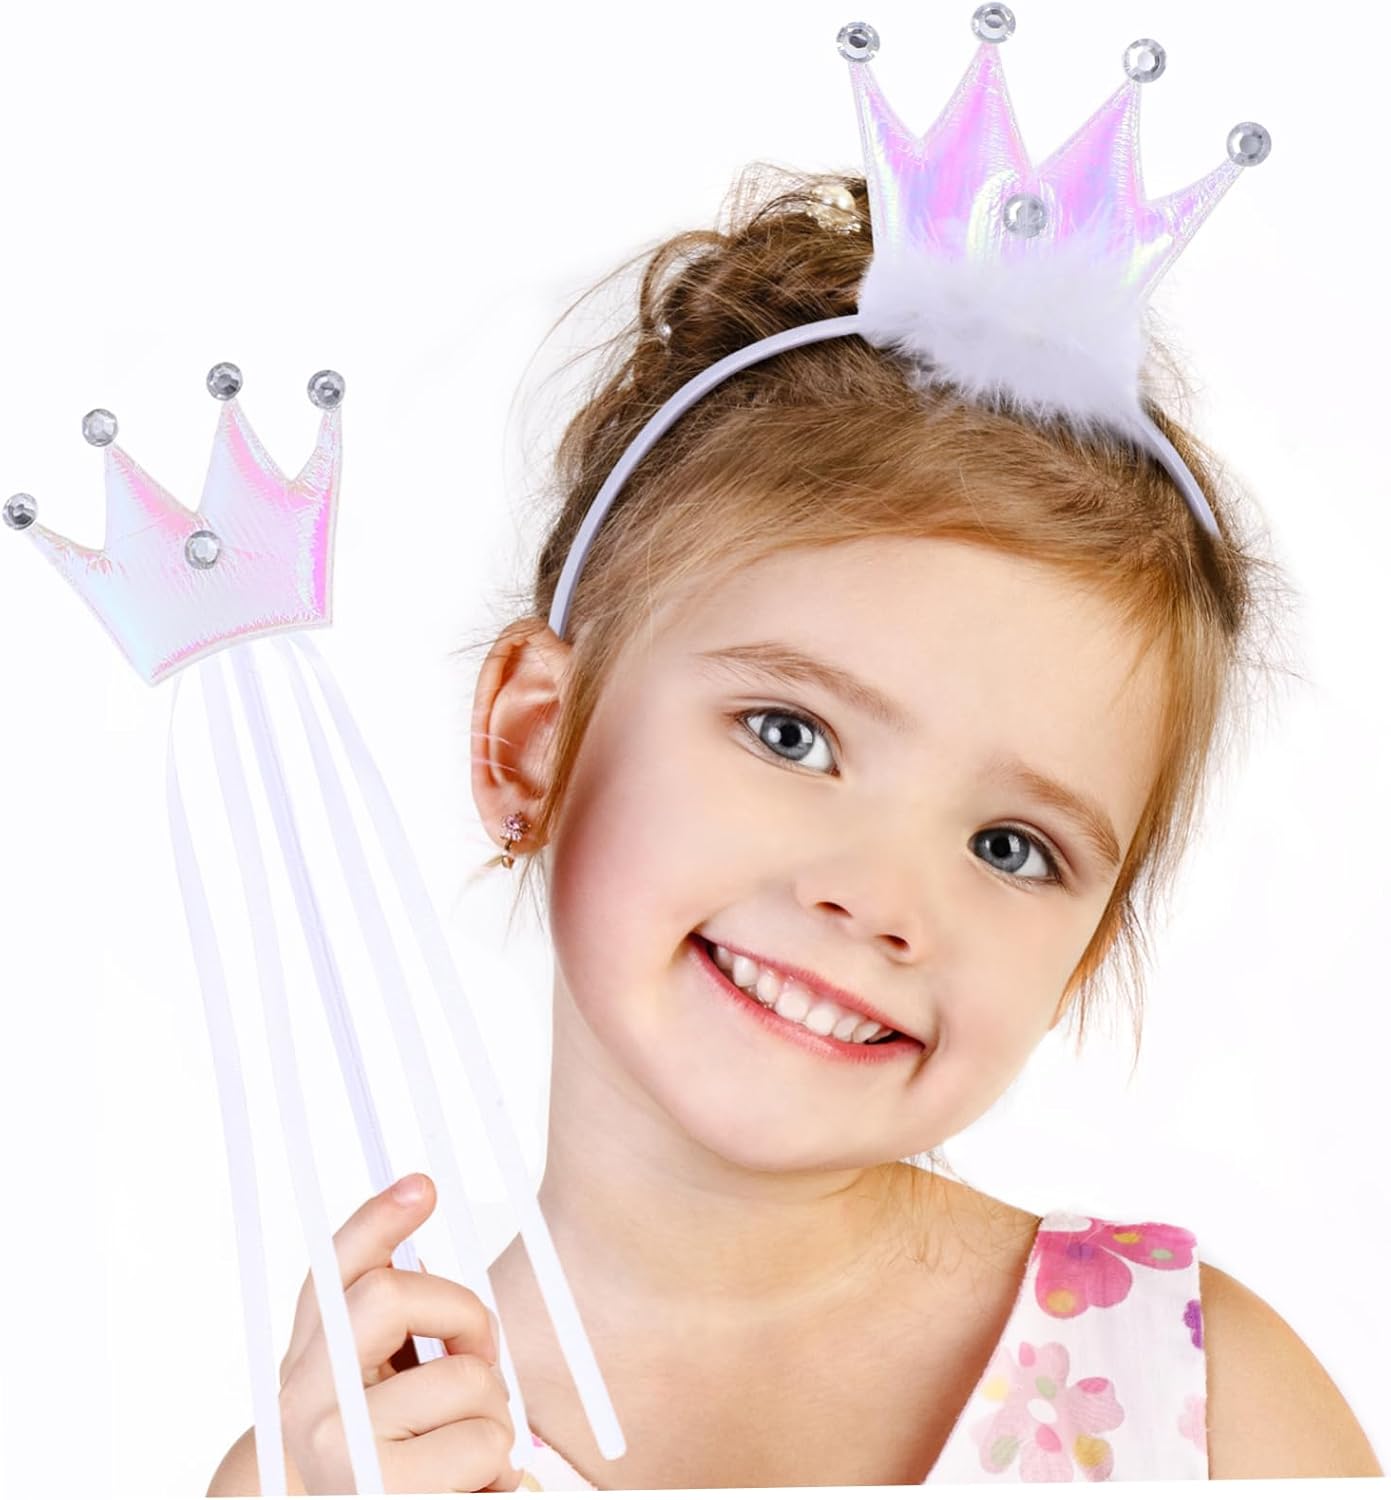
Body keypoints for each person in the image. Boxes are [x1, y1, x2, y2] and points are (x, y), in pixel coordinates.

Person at [205, 152, 1383, 1491]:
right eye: (791, 735)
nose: (880, 898)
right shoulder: (347, 1467)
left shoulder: (1208, 1408)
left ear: (1085, 954)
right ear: (533, 742)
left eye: (1011, 848)